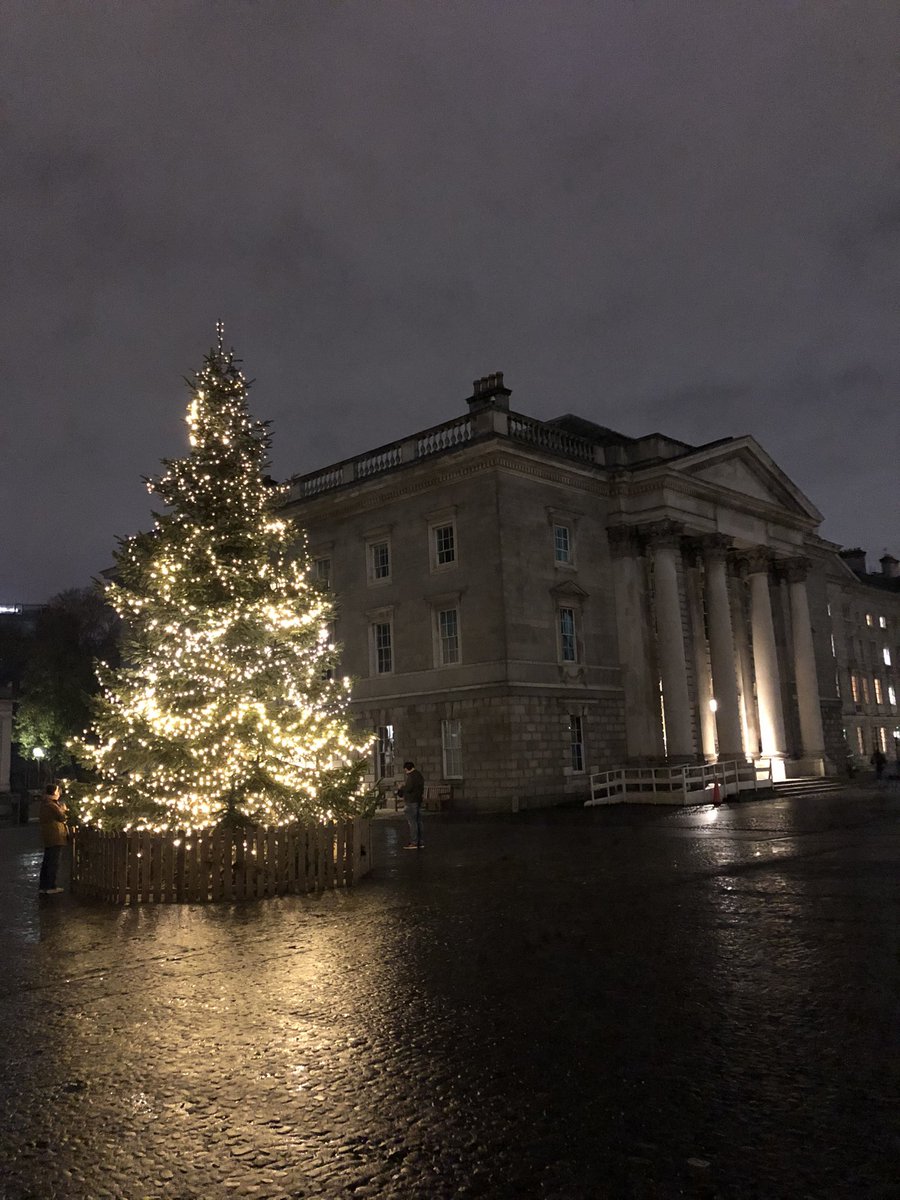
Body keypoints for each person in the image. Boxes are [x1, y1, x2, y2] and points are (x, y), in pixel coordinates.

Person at [39, 783, 68, 895]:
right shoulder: (51, 805)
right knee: (53, 862)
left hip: (49, 836)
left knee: (47, 861)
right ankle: (51, 885)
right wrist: (63, 810)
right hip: (55, 836)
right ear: (54, 793)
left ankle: (43, 886)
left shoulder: (45, 803)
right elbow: (62, 817)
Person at [397, 760, 425, 850]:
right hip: (418, 800)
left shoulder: (411, 777)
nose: (405, 772)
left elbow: (409, 788)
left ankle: (414, 842)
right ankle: (420, 841)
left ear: (407, 769)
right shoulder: (419, 775)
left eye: (405, 770)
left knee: (412, 823)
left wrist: (401, 787)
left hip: (411, 801)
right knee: (418, 822)